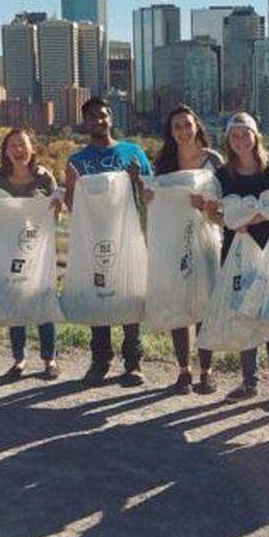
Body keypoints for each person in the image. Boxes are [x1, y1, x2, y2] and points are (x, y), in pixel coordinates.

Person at [65, 97, 153, 387]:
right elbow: (71, 205)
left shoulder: (133, 152)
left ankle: (133, 361)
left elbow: (151, 195)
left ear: (111, 118)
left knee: (129, 293)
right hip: (94, 240)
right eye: (92, 117)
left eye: (102, 116)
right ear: (85, 122)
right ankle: (100, 360)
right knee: (98, 294)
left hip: (128, 235)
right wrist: (72, 186)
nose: (98, 121)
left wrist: (138, 180)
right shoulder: (77, 161)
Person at [207, 112, 269, 411]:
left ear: (256, 136)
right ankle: (249, 382)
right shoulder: (223, 175)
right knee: (244, 314)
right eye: (234, 134)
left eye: (245, 133)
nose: (240, 139)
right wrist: (230, 222)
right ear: (228, 139)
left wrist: (257, 217)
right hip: (236, 253)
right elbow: (212, 214)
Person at [147, 104, 224, 395]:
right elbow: (154, 197)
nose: (183, 131)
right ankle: (183, 370)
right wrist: (149, 196)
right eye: (177, 127)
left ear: (197, 127)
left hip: (207, 237)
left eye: (187, 125)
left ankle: (207, 370)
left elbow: (226, 198)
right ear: (171, 132)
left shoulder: (213, 160)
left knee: (206, 302)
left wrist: (206, 205)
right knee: (177, 300)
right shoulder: (164, 161)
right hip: (174, 239)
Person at [0, 127, 61, 381]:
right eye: (12, 145)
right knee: (15, 304)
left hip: (39, 251)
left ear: (32, 148)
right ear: (6, 151)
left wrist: (56, 207)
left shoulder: (45, 179)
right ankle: (19, 359)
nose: (18, 149)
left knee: (44, 303)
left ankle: (50, 358)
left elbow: (55, 218)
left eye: (23, 144)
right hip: (9, 251)